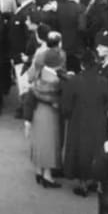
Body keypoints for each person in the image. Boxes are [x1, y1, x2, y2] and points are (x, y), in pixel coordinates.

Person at [62, 47, 108, 198]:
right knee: (96, 150)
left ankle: (83, 183)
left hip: (79, 121)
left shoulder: (75, 81)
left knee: (80, 150)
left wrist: (68, 115)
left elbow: (66, 105)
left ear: (82, 64)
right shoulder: (103, 81)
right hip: (98, 122)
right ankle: (95, 180)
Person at [28, 54, 63, 186]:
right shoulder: (55, 79)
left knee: (38, 141)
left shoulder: (39, 72)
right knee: (49, 143)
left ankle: (38, 171)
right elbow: (57, 96)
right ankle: (47, 176)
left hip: (37, 110)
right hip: (50, 112)